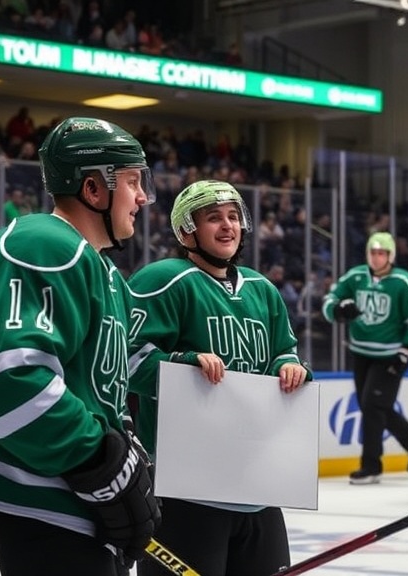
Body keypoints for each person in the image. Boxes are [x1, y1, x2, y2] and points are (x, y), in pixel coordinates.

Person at [0, 117, 161, 576]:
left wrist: (126, 450)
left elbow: (101, 387)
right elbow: (5, 379)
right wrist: (100, 462)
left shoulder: (103, 271)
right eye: (132, 182)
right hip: (39, 507)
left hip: (74, 512)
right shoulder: (43, 243)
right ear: (93, 189)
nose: (143, 197)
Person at [126, 179, 312, 576]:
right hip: (185, 488)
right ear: (185, 232)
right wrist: (181, 363)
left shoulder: (263, 289)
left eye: (233, 216)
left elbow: (284, 350)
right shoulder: (163, 280)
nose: (228, 225)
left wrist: (290, 368)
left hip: (257, 485)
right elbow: (124, 361)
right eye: (213, 218)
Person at [322, 232, 408, 485]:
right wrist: (338, 310)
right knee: (372, 406)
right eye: (373, 252)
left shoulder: (404, 283)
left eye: (381, 253)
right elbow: (329, 300)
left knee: (372, 405)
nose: (376, 258)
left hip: (390, 356)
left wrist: (406, 350)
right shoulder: (356, 276)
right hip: (361, 353)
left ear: (391, 256)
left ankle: (371, 466)